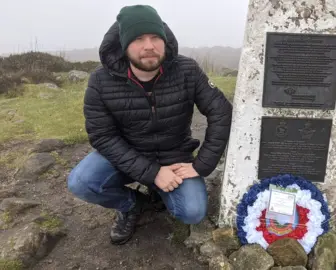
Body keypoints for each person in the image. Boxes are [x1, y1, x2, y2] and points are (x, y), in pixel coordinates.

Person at [67, 5, 232, 245]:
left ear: (164, 40)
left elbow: (221, 111)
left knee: (192, 212)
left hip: (174, 157)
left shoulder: (187, 70)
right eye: (138, 38)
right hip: (126, 155)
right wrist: (153, 173)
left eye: (155, 37)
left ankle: (160, 192)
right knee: (81, 183)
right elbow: (102, 136)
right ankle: (132, 204)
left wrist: (202, 164)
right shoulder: (100, 81)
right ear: (124, 45)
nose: (149, 46)